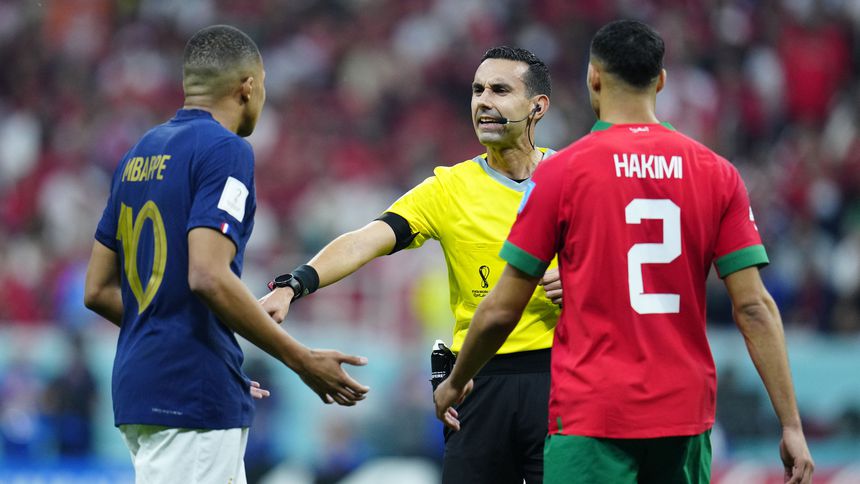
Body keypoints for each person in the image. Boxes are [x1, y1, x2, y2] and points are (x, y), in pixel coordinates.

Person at [434, 20, 814, 484]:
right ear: (661, 81)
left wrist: (456, 382)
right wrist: (791, 425)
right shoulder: (717, 173)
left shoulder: (561, 174)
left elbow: (501, 309)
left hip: (592, 414)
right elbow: (754, 307)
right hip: (684, 414)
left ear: (593, 78)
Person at [83, 25, 369, 484]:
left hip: (144, 386)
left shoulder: (138, 154)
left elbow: (97, 290)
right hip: (189, 395)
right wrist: (301, 360)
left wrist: (213, 354)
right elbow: (208, 275)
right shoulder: (226, 150)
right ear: (248, 87)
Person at [261, 46, 560, 484]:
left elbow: (626, 267)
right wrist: (294, 284)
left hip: (560, 376)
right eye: (477, 90)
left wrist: (583, 279)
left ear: (538, 106)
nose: (483, 101)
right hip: (475, 380)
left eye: (500, 90)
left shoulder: (572, 178)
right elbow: (366, 239)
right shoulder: (449, 188)